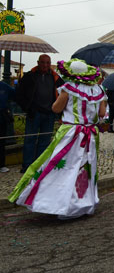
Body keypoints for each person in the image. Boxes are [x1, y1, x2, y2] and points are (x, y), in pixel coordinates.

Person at [9, 59, 107, 219]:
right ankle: (82, 203)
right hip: (90, 134)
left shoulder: (68, 88)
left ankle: (57, 203)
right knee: (84, 167)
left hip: (71, 133)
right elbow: (102, 114)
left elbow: (56, 108)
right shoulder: (98, 90)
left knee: (61, 167)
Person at [15, 54, 65, 172]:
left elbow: (64, 92)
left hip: (49, 113)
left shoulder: (55, 77)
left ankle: (39, 165)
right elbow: (19, 94)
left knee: (45, 140)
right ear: (38, 63)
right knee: (29, 140)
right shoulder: (30, 76)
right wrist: (27, 108)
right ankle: (27, 165)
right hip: (34, 112)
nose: (45, 65)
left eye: (48, 63)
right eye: (43, 62)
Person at [0, 80, 15, 173]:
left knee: (1, 142)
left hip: (1, 117)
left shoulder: (4, 86)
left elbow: (14, 94)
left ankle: (1, 164)